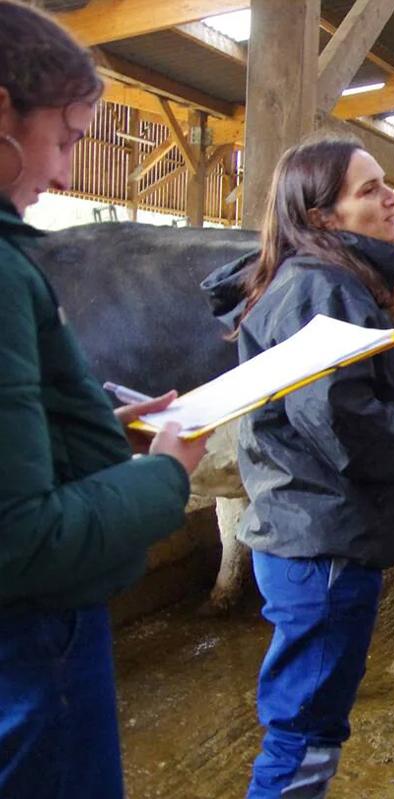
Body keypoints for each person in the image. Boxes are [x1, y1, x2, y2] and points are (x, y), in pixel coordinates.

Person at [201, 137, 394, 797]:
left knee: (312, 725)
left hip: (320, 534)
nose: (391, 197)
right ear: (323, 217)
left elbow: (343, 406)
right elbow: (350, 435)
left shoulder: (327, 285)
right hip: (322, 542)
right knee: (302, 732)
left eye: (386, 183)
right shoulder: (320, 290)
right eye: (369, 189)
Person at [0, 4, 209, 796]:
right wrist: (164, 472)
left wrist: (86, 424)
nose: (62, 177)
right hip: (30, 643)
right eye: (65, 139)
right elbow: (17, 534)